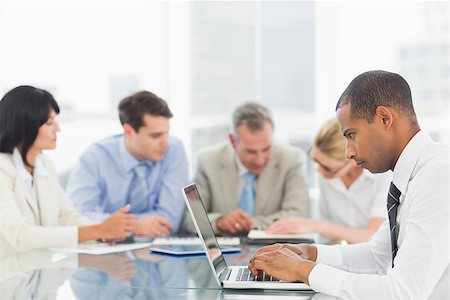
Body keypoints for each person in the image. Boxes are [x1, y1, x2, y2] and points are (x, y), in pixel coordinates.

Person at [248, 70, 449, 299]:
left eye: (351, 135)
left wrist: (301, 269)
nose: (348, 152)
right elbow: (376, 255)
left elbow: (401, 293)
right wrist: (308, 253)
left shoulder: (438, 175)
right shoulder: (411, 176)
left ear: (385, 118)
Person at [0, 86, 137, 259]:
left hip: (37, 275)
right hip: (7, 278)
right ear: (24, 126)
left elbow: (66, 217)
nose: (57, 129)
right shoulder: (2, 170)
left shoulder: (44, 164)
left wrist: (105, 232)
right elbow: (20, 237)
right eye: (49, 123)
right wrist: (97, 230)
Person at [67, 90, 188, 237]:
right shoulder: (95, 157)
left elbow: (169, 220)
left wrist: (115, 225)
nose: (165, 143)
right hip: (107, 251)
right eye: (156, 135)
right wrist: (134, 226)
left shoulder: (174, 150)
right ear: (129, 131)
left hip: (158, 251)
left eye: (167, 133)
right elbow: (77, 218)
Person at [188, 102, 310, 235]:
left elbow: (299, 216)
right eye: (251, 152)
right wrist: (219, 222)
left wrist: (245, 224)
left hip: (275, 249)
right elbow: (190, 218)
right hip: (226, 249)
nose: (260, 159)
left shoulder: (292, 160)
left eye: (266, 149)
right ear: (233, 142)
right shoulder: (207, 161)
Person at [266, 118, 391, 244]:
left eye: (328, 167)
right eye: (317, 162)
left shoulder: (383, 176)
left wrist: (318, 226)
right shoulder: (327, 176)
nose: (319, 171)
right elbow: (328, 238)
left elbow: (374, 237)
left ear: (353, 158)